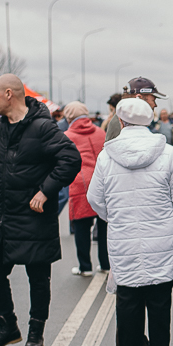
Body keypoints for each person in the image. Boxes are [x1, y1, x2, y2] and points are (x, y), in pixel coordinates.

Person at [0, 74, 82, 346]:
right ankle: (7, 326)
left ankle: (35, 331)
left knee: (38, 275)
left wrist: (45, 190)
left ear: (9, 94)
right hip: (1, 216)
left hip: (34, 216)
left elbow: (71, 159)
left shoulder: (43, 127)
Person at [86, 98, 173, 346]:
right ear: (149, 120)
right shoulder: (168, 153)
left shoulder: (106, 156)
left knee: (128, 299)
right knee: (159, 301)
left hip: (124, 238)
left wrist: (114, 217)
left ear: (121, 122)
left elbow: (95, 198)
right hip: (163, 236)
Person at [62, 101, 108, 276]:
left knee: (81, 227)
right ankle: (105, 264)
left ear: (69, 117)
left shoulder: (67, 136)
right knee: (103, 226)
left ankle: (85, 266)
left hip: (81, 183)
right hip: (103, 182)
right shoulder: (100, 132)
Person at [105, 78, 166, 142]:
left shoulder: (127, 119)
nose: (155, 105)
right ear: (139, 98)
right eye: (153, 100)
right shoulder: (120, 122)